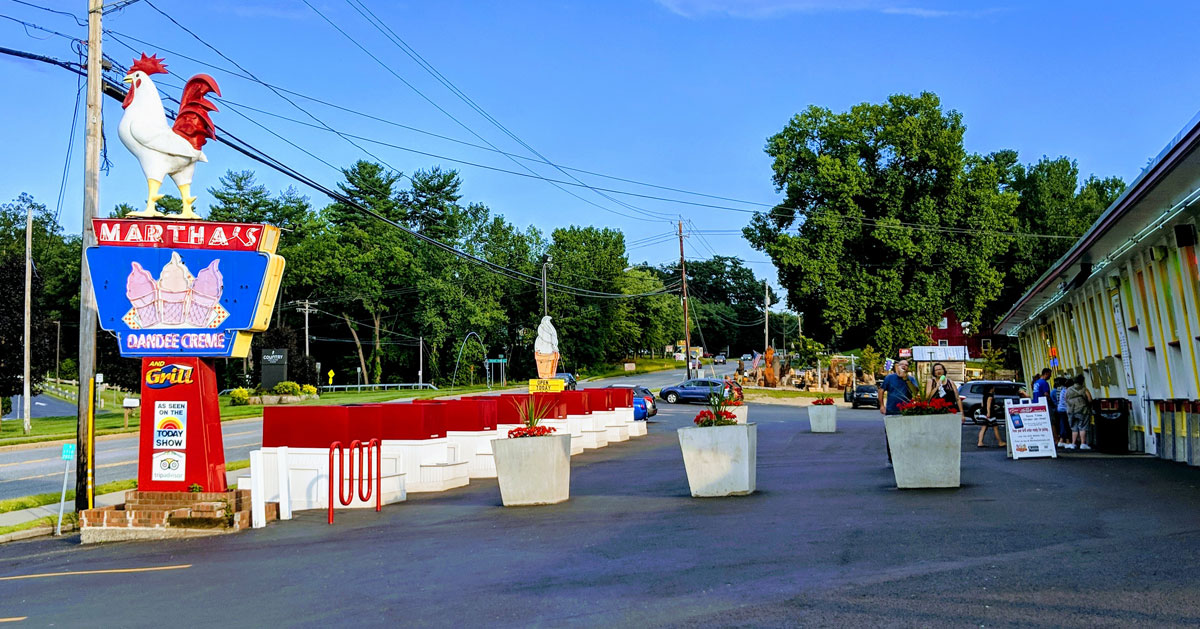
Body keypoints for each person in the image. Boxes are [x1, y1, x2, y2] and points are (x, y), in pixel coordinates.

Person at [879, 360, 919, 463]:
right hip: (892, 409)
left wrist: (906, 379)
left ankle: (905, 455)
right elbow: (881, 390)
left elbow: (915, 392)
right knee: (890, 434)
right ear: (898, 366)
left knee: (906, 434)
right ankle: (891, 458)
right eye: (902, 365)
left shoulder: (910, 379)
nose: (904, 366)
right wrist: (882, 405)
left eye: (906, 365)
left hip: (906, 411)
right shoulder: (889, 378)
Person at [1064, 374, 1093, 450]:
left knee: (1074, 427)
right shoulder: (1084, 389)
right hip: (1082, 410)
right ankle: (1083, 444)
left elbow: (1065, 399)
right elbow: (1090, 399)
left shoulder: (1069, 389)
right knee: (1082, 426)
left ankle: (1073, 443)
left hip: (1071, 411)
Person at [1051, 377, 1071, 447]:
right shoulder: (1065, 390)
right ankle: (1067, 440)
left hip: (1059, 408)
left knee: (1061, 423)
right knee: (1066, 424)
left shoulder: (1057, 390)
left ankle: (1062, 440)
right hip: (1064, 409)